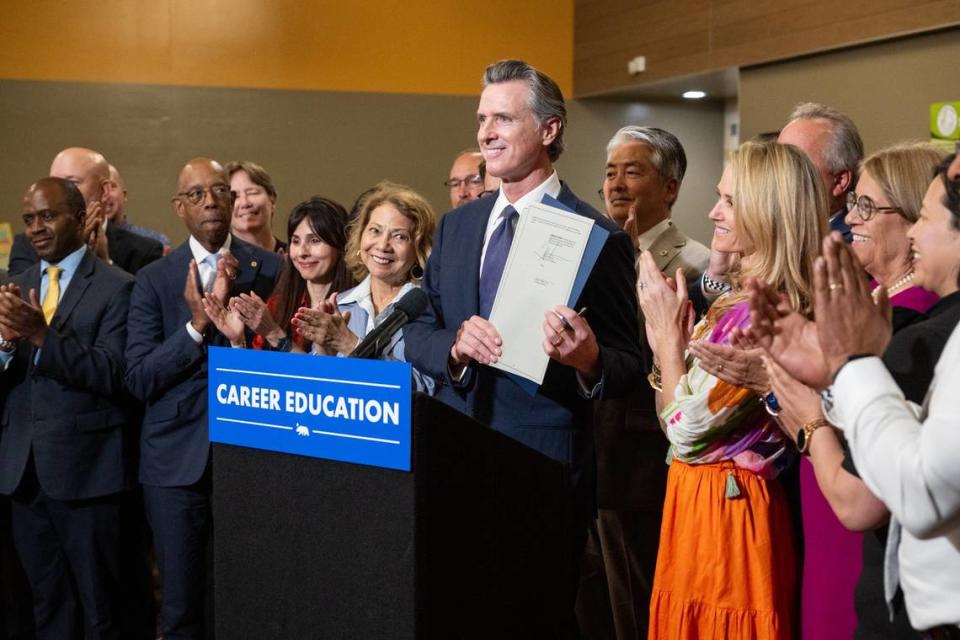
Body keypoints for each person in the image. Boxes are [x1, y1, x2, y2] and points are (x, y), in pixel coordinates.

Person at [404, 59, 642, 636]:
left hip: (541, 470)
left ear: (549, 130)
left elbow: (631, 366)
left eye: (503, 118)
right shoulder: (459, 226)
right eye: (482, 118)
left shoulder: (597, 236)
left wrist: (586, 360)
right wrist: (454, 347)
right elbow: (420, 328)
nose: (485, 132)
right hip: (451, 459)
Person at [745, 153, 960, 636]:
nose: (913, 235)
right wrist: (829, 376)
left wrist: (816, 414)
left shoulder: (926, 332)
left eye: (924, 218)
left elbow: (897, 495)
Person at [637, 140, 829, 639]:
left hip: (730, 524)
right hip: (701, 508)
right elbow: (674, 420)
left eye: (728, 201)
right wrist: (671, 348)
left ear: (767, 213)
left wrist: (665, 341)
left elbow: (684, 429)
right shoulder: (738, 302)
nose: (712, 211)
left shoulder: (763, 313)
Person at [125, 158, 280, 639]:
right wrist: (195, 326)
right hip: (175, 468)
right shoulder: (154, 279)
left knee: (247, 602)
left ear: (234, 201)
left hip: (251, 461)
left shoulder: (272, 270)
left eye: (219, 191)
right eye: (196, 194)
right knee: (181, 608)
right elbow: (139, 378)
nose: (210, 201)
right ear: (179, 208)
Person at [577, 125, 708, 640]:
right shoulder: (592, 250)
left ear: (670, 187)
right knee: (589, 601)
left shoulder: (695, 262)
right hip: (585, 447)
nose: (617, 184)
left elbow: (668, 351)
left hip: (640, 455)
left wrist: (628, 268)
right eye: (610, 172)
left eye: (634, 171)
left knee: (635, 597)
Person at [0, 177, 134, 639]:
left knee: (100, 607)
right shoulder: (11, 287)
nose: (36, 228)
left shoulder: (118, 287)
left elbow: (116, 374)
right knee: (47, 603)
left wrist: (42, 337)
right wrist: (4, 342)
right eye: (29, 219)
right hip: (23, 473)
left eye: (48, 216)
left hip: (88, 475)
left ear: (80, 219)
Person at [695, 104, 864, 306]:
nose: (777, 171)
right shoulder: (751, 240)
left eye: (795, 161)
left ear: (840, 181)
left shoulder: (851, 250)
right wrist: (716, 276)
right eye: (777, 156)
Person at [203, 196, 354, 354]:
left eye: (315, 241)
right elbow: (258, 375)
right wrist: (238, 341)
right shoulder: (276, 306)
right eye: (296, 241)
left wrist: (274, 334)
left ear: (340, 245)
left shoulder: (355, 307)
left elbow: (330, 375)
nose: (302, 252)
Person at [8, 148, 163, 276]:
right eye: (53, 184)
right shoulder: (28, 243)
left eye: (72, 183)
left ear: (104, 190)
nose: (57, 193)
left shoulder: (143, 251)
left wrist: (104, 262)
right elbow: (18, 304)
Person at [105, 163, 172, 251]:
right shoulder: (83, 243)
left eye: (111, 187)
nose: (105, 194)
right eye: (99, 188)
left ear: (124, 195)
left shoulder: (156, 242)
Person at [226, 160, 285, 254]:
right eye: (235, 197)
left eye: (252, 193)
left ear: (272, 200)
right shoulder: (214, 262)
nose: (244, 203)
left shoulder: (297, 260)